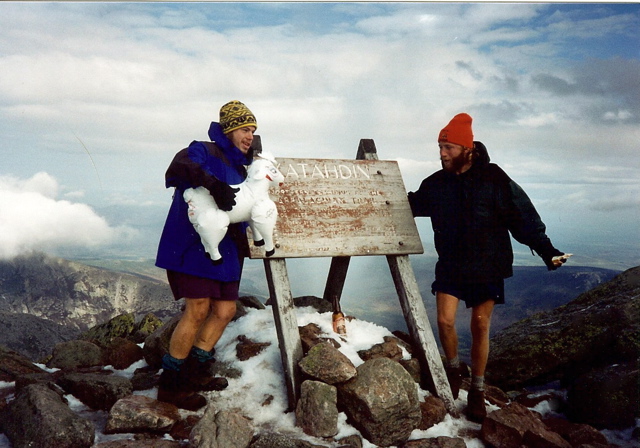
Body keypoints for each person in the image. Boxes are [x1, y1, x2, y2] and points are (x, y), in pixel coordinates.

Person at [407, 113, 568, 422]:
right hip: (452, 264)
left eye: (448, 147)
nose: (442, 153)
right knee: (444, 320)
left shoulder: (494, 179)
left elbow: (523, 218)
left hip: (488, 264)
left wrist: (548, 252)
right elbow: (410, 204)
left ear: (466, 148)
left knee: (480, 325)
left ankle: (477, 391)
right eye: (440, 146)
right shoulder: (436, 183)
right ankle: (454, 370)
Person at [155, 100, 257, 410]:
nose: (250, 135)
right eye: (244, 129)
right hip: (193, 243)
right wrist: (213, 184)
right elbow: (181, 165)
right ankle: (171, 385)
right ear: (228, 129)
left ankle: (196, 371)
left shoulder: (243, 166)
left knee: (225, 311)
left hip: (227, 248)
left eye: (253, 130)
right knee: (198, 309)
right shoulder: (202, 150)